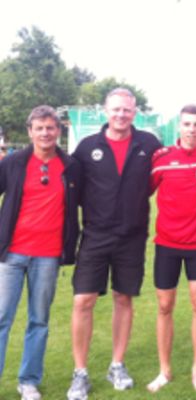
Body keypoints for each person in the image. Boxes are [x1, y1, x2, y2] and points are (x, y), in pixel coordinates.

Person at [66, 88, 161, 400]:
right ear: (105, 111)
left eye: (127, 110)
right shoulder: (86, 147)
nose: (121, 115)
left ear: (135, 112)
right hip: (95, 235)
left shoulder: (148, 144)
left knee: (124, 299)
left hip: (132, 237)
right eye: (116, 109)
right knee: (83, 301)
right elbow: (73, 190)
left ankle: (116, 365)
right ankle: (80, 373)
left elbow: (163, 174)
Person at [0, 105, 80, 400]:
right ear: (29, 131)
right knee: (1, 318)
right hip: (11, 255)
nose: (45, 133)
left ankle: (29, 381)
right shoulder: (14, 163)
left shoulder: (71, 166)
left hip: (47, 256)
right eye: (39, 128)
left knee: (39, 320)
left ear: (58, 131)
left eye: (50, 127)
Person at [147, 105, 196, 393]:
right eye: (187, 124)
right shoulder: (162, 159)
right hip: (166, 245)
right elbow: (142, 190)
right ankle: (164, 370)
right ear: (179, 127)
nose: (192, 129)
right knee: (164, 306)